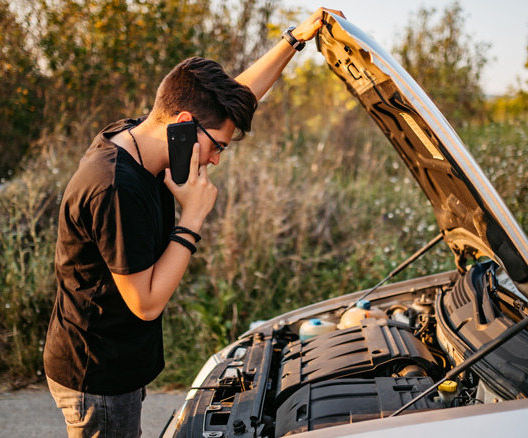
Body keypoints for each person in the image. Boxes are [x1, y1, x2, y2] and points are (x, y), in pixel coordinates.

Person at [43, 7, 343, 438]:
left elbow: (236, 98)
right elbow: (146, 303)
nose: (217, 159)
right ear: (184, 125)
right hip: (98, 374)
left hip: (119, 357)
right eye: (218, 146)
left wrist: (294, 40)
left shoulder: (143, 137)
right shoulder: (115, 187)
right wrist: (193, 217)